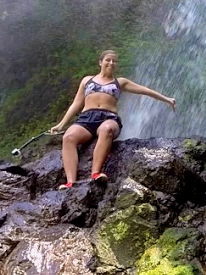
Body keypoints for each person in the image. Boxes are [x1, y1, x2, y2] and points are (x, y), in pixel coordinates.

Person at [49, 50, 176, 190]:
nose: (111, 63)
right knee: (68, 137)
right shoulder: (87, 80)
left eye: (114, 61)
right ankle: (70, 182)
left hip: (109, 117)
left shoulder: (120, 82)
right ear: (100, 62)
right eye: (108, 60)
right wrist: (61, 125)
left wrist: (167, 99)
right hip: (86, 118)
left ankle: (96, 173)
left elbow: (145, 90)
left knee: (107, 129)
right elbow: (76, 104)